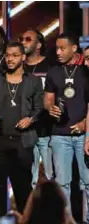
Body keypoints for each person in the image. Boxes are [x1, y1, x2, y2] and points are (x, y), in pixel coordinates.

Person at [0, 42, 43, 214]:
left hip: (22, 142)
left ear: (23, 57)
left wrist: (30, 119)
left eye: (15, 55)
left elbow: (39, 107)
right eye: (8, 55)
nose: (10, 59)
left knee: (23, 189)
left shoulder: (33, 81)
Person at [44, 33, 89, 222]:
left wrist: (85, 125)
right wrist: (50, 108)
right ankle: (66, 220)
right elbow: (47, 99)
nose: (59, 52)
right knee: (62, 183)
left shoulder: (86, 72)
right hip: (59, 135)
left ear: (74, 49)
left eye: (63, 48)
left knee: (87, 182)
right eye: (56, 48)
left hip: (84, 135)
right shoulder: (53, 72)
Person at [20, 29, 54, 188]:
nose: (23, 42)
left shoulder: (51, 66)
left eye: (28, 39)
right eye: (21, 39)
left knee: (51, 176)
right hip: (26, 130)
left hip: (48, 128)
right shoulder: (19, 68)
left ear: (39, 44)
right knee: (28, 178)